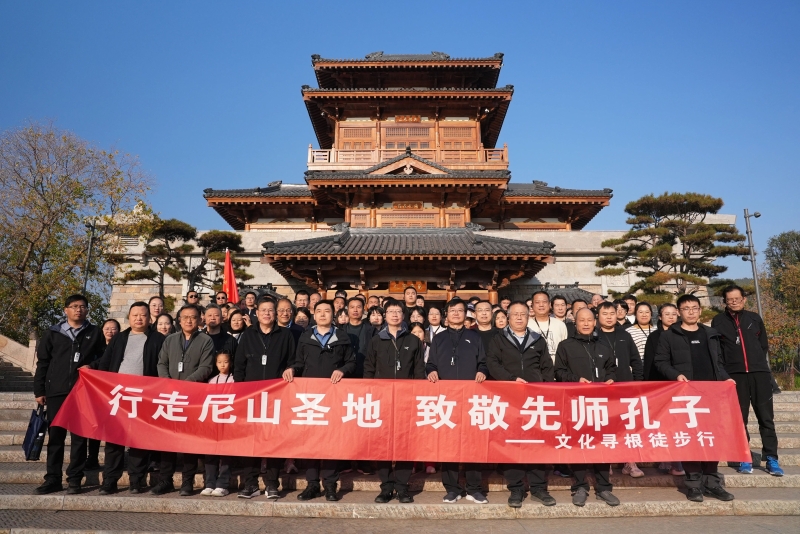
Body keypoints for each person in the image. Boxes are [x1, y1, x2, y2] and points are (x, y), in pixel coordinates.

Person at [655, 295, 735, 503]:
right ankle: (693, 484)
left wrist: (726, 378)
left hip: (711, 395)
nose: (691, 312)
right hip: (686, 396)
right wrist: (676, 375)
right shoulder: (669, 335)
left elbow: (718, 363)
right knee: (690, 439)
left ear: (700, 310)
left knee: (711, 438)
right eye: (686, 308)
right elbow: (660, 362)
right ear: (679, 312)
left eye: (694, 308)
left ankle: (712, 482)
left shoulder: (711, 334)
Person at [33, 294, 106, 495]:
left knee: (79, 438)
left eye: (82, 306)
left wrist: (92, 365)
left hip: (82, 392)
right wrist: (39, 390)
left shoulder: (94, 332)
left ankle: (75, 479)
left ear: (87, 310)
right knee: (55, 438)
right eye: (74, 306)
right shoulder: (53, 333)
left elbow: (104, 358)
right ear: (66, 310)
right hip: (56, 392)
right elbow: (43, 362)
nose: (78, 310)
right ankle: (52, 478)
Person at [486, 301, 556, 508]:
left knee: (537, 442)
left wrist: (543, 388)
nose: (518, 317)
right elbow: (492, 363)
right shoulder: (498, 339)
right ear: (508, 317)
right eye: (515, 314)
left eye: (522, 314)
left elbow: (547, 367)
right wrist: (510, 379)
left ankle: (539, 488)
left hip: (534, 399)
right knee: (512, 442)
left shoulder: (537, 340)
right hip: (508, 397)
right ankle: (516, 488)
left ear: (528, 317)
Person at [92, 302, 165, 495]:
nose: (139, 318)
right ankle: (110, 480)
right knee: (114, 440)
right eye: (135, 315)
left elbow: (162, 366)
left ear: (149, 318)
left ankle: (136, 480)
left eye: (143, 315)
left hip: (144, 397)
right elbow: (105, 363)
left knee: (138, 440)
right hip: (118, 396)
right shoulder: (119, 338)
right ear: (129, 318)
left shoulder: (158, 339)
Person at [285, 301, 355, 502]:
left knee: (331, 440)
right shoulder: (306, 336)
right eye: (319, 311)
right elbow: (299, 362)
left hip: (334, 395)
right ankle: (312, 484)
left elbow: (351, 362)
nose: (323, 314)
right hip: (311, 397)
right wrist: (292, 369)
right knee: (311, 441)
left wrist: (342, 370)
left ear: (333, 315)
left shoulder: (342, 337)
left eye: (327, 311)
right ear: (314, 315)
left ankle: (331, 485)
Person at [712, 286, 782, 476]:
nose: (734, 302)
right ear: (724, 302)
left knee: (766, 419)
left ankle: (772, 458)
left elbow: (763, 345)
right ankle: (744, 457)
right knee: (739, 420)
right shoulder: (718, 321)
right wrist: (725, 374)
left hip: (759, 374)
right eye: (730, 299)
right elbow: (717, 351)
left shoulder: (754, 318)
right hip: (735, 377)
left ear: (744, 299)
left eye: (737, 298)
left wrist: (757, 363)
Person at [426, 298, 489, 504]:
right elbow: (430, 364)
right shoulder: (439, 338)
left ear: (466, 314)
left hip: (471, 399)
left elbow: (484, 362)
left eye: (460, 310)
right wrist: (431, 371)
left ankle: (474, 488)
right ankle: (452, 488)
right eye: (452, 310)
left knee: (473, 444)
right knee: (448, 444)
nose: (456, 313)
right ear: (446, 314)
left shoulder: (475, 337)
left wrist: (482, 371)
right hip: (447, 400)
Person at [554, 307, 619, 506]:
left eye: (589, 320)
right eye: (582, 320)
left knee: (602, 446)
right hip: (576, 403)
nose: (586, 324)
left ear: (595, 322)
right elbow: (559, 371)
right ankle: (580, 486)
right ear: (575, 322)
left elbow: (612, 368)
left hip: (601, 405)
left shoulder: (604, 345)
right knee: (578, 444)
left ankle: (604, 488)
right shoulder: (566, 346)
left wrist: (610, 378)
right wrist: (576, 380)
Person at [234, 297, 296, 500]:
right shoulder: (248, 335)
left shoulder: (285, 335)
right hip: (251, 396)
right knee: (250, 442)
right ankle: (250, 483)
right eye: (263, 310)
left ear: (275, 314)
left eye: (270, 310)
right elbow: (239, 365)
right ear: (257, 313)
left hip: (276, 397)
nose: (267, 313)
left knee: (273, 441)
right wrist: (241, 390)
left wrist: (291, 369)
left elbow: (293, 360)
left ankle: (272, 483)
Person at [364, 301, 425, 504]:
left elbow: (419, 371)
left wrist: (417, 397)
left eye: (398, 311)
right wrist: (370, 395)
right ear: (385, 315)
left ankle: (402, 487)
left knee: (405, 444)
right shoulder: (376, 340)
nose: (395, 315)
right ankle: (386, 487)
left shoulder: (413, 340)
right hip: (381, 400)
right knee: (382, 444)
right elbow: (369, 369)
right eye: (391, 311)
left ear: (404, 315)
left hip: (406, 401)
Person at [152, 304, 215, 496]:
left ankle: (187, 482)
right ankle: (165, 480)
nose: (189, 320)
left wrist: (185, 385)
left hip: (193, 396)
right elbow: (161, 363)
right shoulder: (170, 340)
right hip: (171, 396)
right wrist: (169, 383)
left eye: (193, 317)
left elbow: (206, 367)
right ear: (179, 320)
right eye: (185, 317)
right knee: (167, 441)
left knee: (189, 442)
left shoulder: (206, 340)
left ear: (200, 320)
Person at [596, 301, 644, 478]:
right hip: (603, 388)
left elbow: (636, 361)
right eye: (605, 314)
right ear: (598, 316)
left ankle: (630, 463)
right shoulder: (594, 336)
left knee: (627, 426)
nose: (609, 317)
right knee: (605, 425)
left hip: (625, 387)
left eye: (612, 313)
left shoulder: (625, 335)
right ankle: (606, 461)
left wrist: (638, 383)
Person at [201, 350, 235, 497]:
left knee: (226, 453)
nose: (222, 365)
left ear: (230, 363)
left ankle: (223, 484)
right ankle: (209, 483)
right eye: (219, 362)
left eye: (225, 362)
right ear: (215, 364)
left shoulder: (234, 379)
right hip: (213, 421)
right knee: (210, 453)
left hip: (228, 421)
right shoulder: (212, 380)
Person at [528, 291, 568, 363]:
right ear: (532, 305)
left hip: (557, 366)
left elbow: (565, 349)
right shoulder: (527, 325)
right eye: (537, 302)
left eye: (544, 302)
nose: (541, 305)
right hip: (534, 366)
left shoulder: (560, 325)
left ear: (549, 304)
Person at [343, 297, 377, 379]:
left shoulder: (372, 330)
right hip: (344, 373)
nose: (355, 310)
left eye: (358, 307)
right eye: (352, 307)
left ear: (363, 309)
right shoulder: (340, 330)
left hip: (366, 372)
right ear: (348, 310)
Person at [203, 304, 238, 376]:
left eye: (216, 315)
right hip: (202, 379)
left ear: (222, 319)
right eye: (209, 315)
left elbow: (237, 363)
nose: (213, 318)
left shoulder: (231, 340)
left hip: (224, 380)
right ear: (204, 318)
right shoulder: (198, 339)